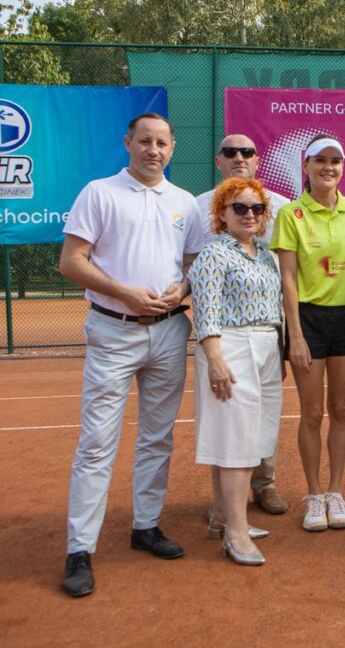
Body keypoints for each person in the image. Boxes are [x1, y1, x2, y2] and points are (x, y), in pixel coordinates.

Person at [58, 113, 203, 597]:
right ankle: (80, 549)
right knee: (97, 442)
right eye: (145, 141)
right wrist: (125, 294)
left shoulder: (184, 202)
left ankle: (146, 526)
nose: (153, 150)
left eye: (162, 142)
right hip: (113, 331)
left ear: (172, 147)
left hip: (169, 331)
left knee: (157, 438)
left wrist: (181, 288)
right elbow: (71, 261)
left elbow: (192, 265)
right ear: (128, 143)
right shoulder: (99, 193)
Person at [271, 135, 345, 532]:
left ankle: (335, 491)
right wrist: (295, 334)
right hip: (308, 320)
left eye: (335, 161)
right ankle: (313, 495)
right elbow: (288, 280)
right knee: (312, 413)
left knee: (341, 409)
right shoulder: (290, 214)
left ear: (343, 166)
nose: (328, 167)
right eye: (320, 160)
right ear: (306, 166)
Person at [195, 134, 292, 516]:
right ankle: (225, 509)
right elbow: (195, 264)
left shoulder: (280, 207)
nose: (239, 156)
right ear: (218, 160)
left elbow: (286, 271)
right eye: (230, 151)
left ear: (257, 159)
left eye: (247, 151)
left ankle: (263, 486)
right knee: (231, 426)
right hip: (229, 336)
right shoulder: (198, 207)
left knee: (262, 417)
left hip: (267, 331)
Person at [189, 177, 283, 565]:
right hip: (231, 346)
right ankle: (236, 533)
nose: (249, 215)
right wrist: (215, 358)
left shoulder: (266, 255)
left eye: (256, 208)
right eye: (239, 208)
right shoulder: (214, 253)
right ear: (222, 214)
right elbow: (206, 311)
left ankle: (221, 516)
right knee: (237, 443)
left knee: (251, 438)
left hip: (266, 347)